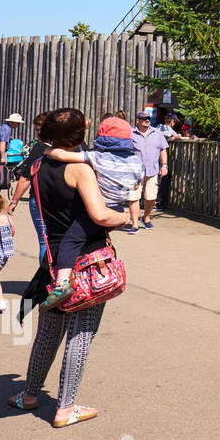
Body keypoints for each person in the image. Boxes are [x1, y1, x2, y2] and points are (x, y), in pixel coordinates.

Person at [12, 108, 130, 427]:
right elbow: (101, 215)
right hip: (88, 260)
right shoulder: (80, 171)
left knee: (48, 332)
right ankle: (65, 408)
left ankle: (29, 394)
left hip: (52, 261)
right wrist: (126, 218)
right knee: (81, 333)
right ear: (80, 136)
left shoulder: (37, 166)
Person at [41, 117, 144, 308]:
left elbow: (63, 157)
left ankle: (62, 284)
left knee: (71, 242)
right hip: (117, 207)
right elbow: (138, 183)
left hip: (99, 207)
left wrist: (47, 151)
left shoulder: (97, 157)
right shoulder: (137, 162)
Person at [9, 111, 52, 266]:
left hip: (41, 200)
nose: (37, 133)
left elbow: (26, 178)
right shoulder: (69, 147)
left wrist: (14, 201)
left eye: (38, 129)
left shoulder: (40, 148)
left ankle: (44, 280)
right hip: (64, 200)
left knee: (44, 242)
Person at [128, 110, 168, 232]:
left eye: (148, 118)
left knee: (150, 197)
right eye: (144, 118)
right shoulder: (130, 133)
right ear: (138, 120)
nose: (147, 120)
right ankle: (134, 224)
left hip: (152, 170)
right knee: (134, 197)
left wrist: (164, 165)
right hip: (134, 172)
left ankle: (146, 218)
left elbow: (163, 149)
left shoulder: (157, 133)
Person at [0, 113, 21, 185]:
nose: (18, 125)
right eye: (18, 123)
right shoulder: (7, 129)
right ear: (13, 122)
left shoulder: (0, 127)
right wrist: (3, 157)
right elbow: (2, 143)